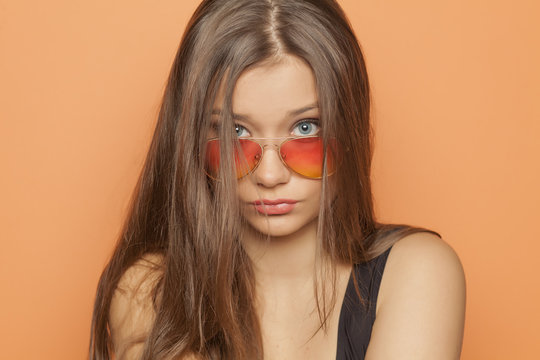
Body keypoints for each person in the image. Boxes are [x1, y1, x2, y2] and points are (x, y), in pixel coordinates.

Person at [88, 0, 466, 359]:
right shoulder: (149, 289)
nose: (269, 175)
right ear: (192, 139)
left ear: (348, 126)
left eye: (305, 129)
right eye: (235, 133)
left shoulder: (418, 272)